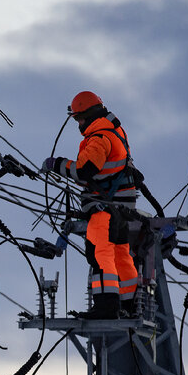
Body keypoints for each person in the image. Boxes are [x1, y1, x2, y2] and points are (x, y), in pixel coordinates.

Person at [43, 91, 140, 319]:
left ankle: (106, 308)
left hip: (104, 207)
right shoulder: (116, 132)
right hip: (123, 208)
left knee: (99, 254)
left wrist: (55, 164)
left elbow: (84, 171)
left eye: (78, 118)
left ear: (88, 114)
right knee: (120, 256)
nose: (78, 123)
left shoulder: (99, 138)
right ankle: (128, 306)